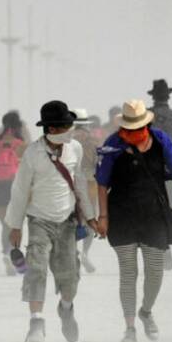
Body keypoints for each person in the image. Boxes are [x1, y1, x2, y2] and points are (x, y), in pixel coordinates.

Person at [95, 100, 172, 342]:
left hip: (154, 214)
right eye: (128, 127)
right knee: (128, 272)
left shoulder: (161, 140)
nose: (131, 132)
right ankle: (129, 327)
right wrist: (103, 217)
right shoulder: (113, 143)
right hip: (121, 215)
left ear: (147, 123)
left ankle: (146, 311)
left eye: (136, 126)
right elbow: (102, 182)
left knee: (155, 270)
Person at [5, 100, 99, 342]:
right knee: (35, 269)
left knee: (70, 277)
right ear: (52, 129)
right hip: (38, 221)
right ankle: (36, 323)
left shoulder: (75, 149)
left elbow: (79, 184)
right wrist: (15, 226)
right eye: (65, 127)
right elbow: (20, 190)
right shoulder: (33, 153)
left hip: (66, 222)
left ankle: (66, 308)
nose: (70, 131)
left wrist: (90, 217)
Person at [0, 110, 30, 275]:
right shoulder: (22, 146)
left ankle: (6, 253)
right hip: (15, 187)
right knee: (16, 225)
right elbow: (29, 172)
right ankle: (14, 255)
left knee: (5, 225)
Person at [71, 111, 102, 274]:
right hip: (90, 184)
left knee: (72, 220)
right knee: (90, 219)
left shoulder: (66, 140)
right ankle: (85, 252)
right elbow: (99, 165)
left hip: (69, 185)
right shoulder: (92, 142)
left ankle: (75, 251)